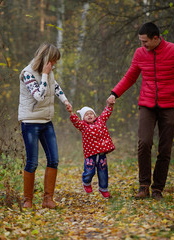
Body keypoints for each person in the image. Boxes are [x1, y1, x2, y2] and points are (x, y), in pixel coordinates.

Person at [106, 22, 174, 200]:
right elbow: (130, 76)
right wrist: (115, 93)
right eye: (140, 41)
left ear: (156, 38)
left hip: (169, 106)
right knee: (144, 142)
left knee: (165, 149)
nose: (142, 45)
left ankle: (158, 188)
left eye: (145, 42)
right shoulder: (140, 54)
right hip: (147, 104)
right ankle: (143, 185)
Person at [18, 42, 72, 209]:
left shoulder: (50, 73)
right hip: (30, 122)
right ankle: (28, 200)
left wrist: (65, 101)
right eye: (53, 60)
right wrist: (44, 75)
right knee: (33, 162)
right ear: (46, 59)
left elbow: (55, 87)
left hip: (46, 122)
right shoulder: (28, 73)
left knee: (54, 160)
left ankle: (48, 199)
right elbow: (39, 96)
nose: (54, 64)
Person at [68, 103, 115, 198]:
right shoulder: (83, 126)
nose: (89, 115)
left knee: (103, 172)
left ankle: (103, 189)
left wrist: (109, 106)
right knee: (89, 171)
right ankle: (86, 182)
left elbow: (106, 113)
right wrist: (71, 113)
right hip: (90, 155)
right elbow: (76, 122)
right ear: (83, 118)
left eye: (91, 113)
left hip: (101, 154)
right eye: (86, 114)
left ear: (95, 115)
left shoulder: (101, 121)